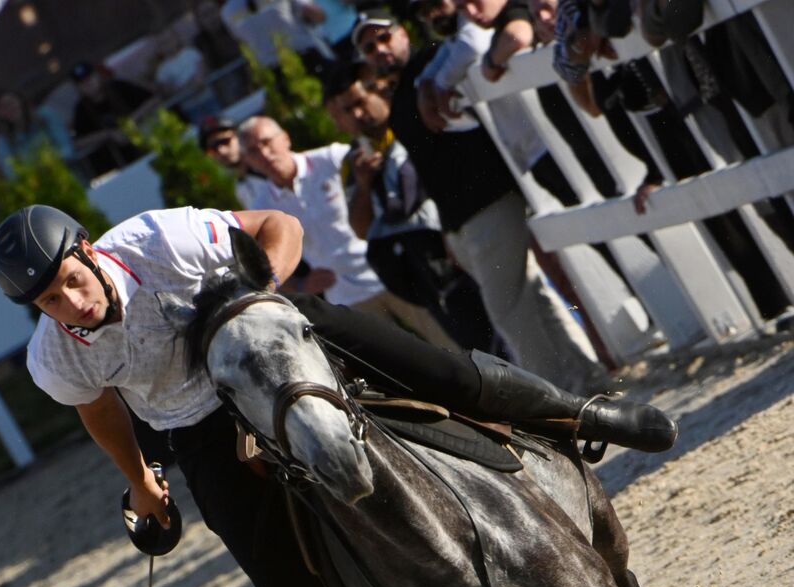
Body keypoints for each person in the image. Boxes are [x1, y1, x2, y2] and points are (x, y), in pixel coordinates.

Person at [0, 204, 677, 587]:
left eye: (71, 281)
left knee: (430, 369)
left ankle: (578, 413)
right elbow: (99, 409)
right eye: (50, 301)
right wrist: (142, 481)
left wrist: (262, 292)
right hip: (198, 423)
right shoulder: (56, 357)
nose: (70, 304)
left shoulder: (159, 238)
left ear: (90, 251)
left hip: (270, 342)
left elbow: (275, 225)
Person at [352, 10, 601, 391]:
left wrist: (430, 83)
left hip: (488, 198)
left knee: (508, 310)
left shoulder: (432, 60)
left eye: (384, 38)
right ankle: (584, 380)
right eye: (369, 47)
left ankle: (557, 397)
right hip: (459, 217)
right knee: (528, 299)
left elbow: (470, 44)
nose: (379, 50)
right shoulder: (407, 84)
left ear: (403, 32)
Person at [237, 114, 457, 346]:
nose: (263, 153)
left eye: (266, 142)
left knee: (448, 343)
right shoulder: (260, 206)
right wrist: (301, 286)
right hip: (345, 297)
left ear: (285, 139)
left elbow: (386, 174)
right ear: (248, 161)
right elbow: (267, 262)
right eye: (252, 151)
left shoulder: (332, 159)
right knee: (393, 369)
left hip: (389, 271)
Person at [325, 65, 498, 353]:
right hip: (422, 270)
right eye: (347, 110)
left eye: (360, 103)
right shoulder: (353, 161)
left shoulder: (416, 120)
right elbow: (361, 229)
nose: (357, 115)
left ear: (378, 91)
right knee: (475, 344)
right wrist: (365, 185)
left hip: (457, 241)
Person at [69, 61, 159, 178]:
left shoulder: (118, 87)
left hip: (148, 147)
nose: (88, 84)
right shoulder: (81, 109)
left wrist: (131, 121)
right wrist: (108, 134)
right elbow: (79, 141)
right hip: (119, 167)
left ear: (97, 76)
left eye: (90, 79)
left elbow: (153, 100)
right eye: (82, 83)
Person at [0, 89, 74, 177]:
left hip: (65, 171)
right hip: (37, 184)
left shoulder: (45, 115)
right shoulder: (2, 142)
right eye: (3, 108)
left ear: (20, 100)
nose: (9, 109)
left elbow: (67, 147)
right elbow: (12, 174)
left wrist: (52, 164)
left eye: (10, 102)